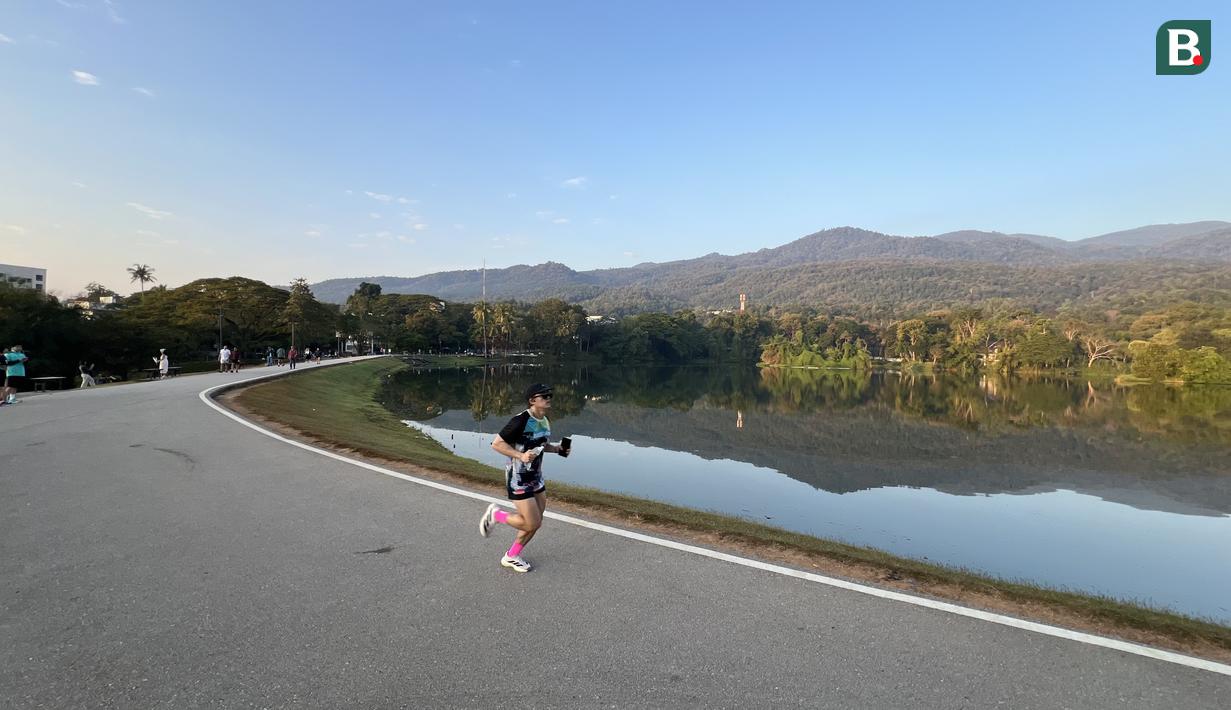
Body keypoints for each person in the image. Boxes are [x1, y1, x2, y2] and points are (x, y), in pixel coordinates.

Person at [478, 383, 566, 572]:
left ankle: (511, 556)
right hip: (518, 478)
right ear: (532, 400)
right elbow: (497, 444)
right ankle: (496, 515)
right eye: (544, 396)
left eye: (549, 395)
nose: (548, 398)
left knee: (535, 522)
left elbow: (541, 445)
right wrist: (520, 456)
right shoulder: (520, 420)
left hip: (536, 477)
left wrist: (557, 449)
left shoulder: (544, 419)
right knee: (532, 522)